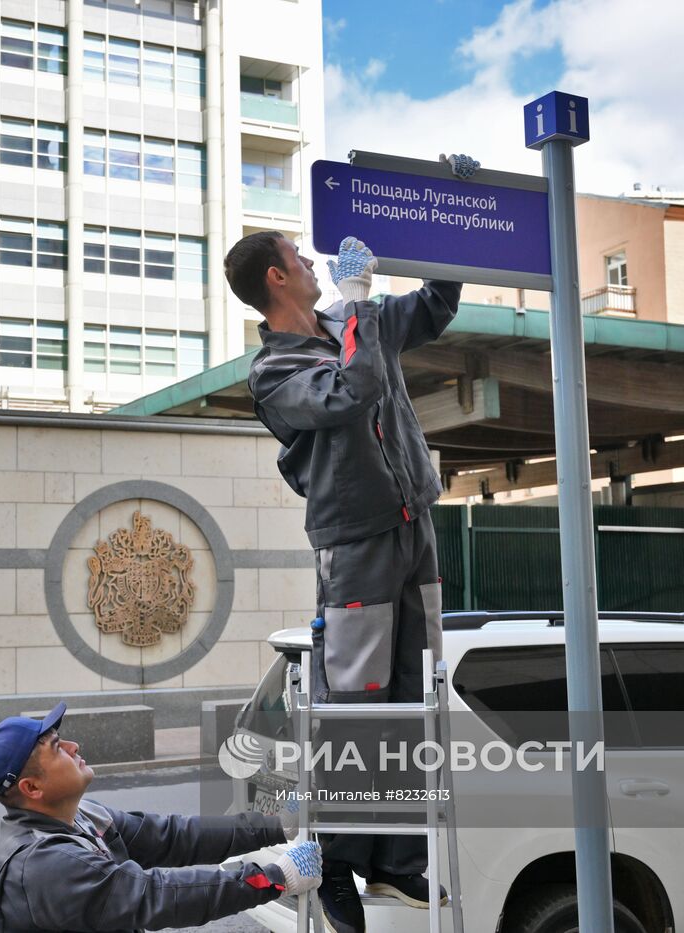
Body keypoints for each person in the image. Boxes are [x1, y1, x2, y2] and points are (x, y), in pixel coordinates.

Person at [226, 231, 460, 933]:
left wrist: (442, 227)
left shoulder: (357, 322)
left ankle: (394, 861)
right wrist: (358, 297)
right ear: (277, 277)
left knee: (414, 696)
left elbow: (438, 305)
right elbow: (349, 392)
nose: (314, 262)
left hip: (413, 524)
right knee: (357, 705)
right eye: (300, 256)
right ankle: (330, 855)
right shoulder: (274, 371)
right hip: (354, 542)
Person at [0, 701, 323, 933]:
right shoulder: (44, 863)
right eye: (56, 748)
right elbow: (152, 895)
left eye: (61, 738)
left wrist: (275, 825)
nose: (73, 747)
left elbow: (172, 836)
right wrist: (276, 878)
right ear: (32, 788)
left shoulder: (85, 816)